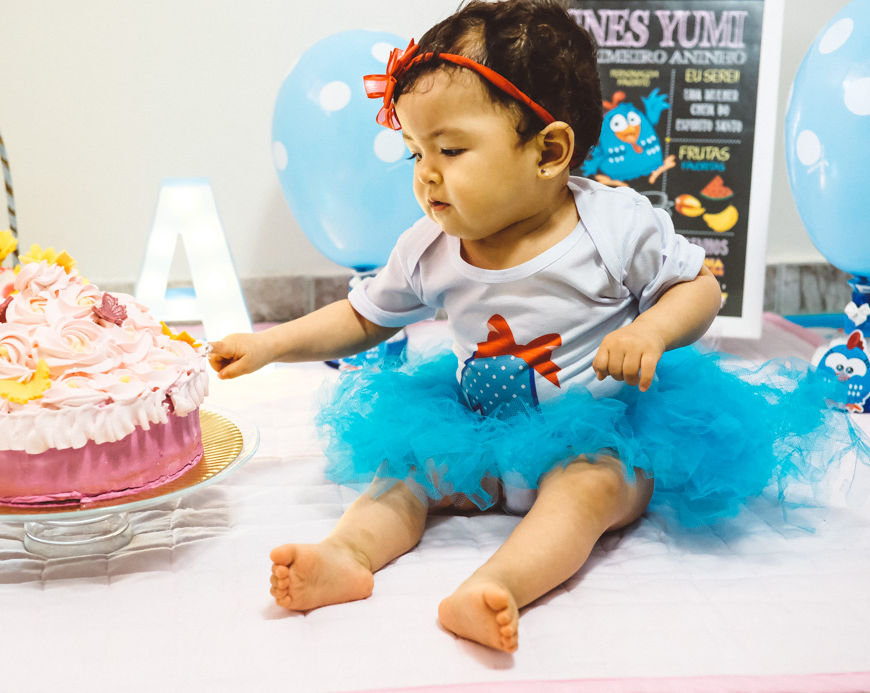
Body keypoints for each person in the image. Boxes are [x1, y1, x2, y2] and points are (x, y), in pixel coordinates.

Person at [209, 0, 859, 653]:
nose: (426, 175)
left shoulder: (612, 223)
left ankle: (500, 582)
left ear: (548, 151)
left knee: (588, 492)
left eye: (451, 148)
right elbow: (361, 315)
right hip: (475, 427)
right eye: (414, 152)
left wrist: (652, 331)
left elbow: (701, 286)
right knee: (401, 473)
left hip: (596, 430)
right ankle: (346, 552)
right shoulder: (428, 244)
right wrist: (271, 343)